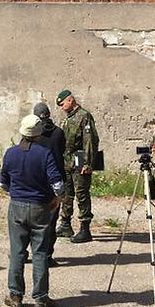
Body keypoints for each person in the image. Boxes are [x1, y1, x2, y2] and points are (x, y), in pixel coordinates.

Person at [0, 114, 65, 307]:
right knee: (40, 253)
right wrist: (56, 200)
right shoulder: (45, 154)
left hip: (17, 205)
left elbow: (3, 183)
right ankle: (41, 298)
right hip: (40, 207)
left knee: (17, 252)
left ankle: (15, 295)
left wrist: (17, 193)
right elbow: (58, 185)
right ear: (38, 134)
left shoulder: (10, 153)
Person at [54, 89, 99, 243]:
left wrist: (87, 163)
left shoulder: (84, 116)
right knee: (66, 192)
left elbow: (90, 141)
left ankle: (85, 228)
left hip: (80, 157)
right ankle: (65, 224)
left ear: (70, 100)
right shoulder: (67, 119)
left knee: (81, 192)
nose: (61, 107)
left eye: (62, 103)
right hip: (66, 160)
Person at [33, 102, 66, 266]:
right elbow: (62, 151)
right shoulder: (59, 133)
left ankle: (28, 253)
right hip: (55, 182)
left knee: (33, 221)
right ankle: (47, 256)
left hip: (37, 181)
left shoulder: (34, 135)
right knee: (51, 221)